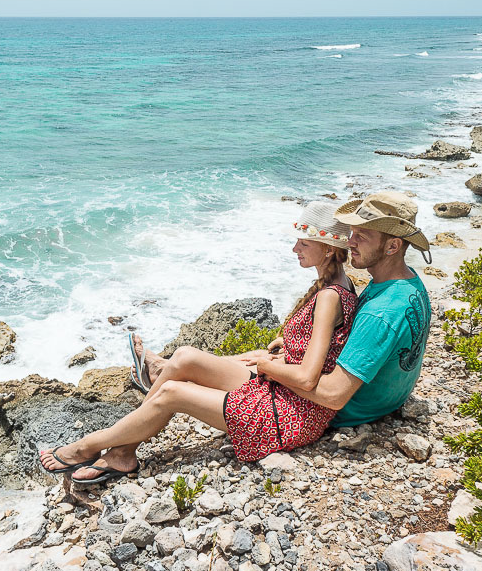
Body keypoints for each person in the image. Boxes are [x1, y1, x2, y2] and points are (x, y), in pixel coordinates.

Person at [39, 202, 358, 483]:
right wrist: (283, 347)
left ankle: (88, 446)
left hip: (289, 413)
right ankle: (124, 449)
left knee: (171, 393)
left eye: (302, 243)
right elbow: (321, 348)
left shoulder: (329, 297)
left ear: (328, 248)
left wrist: (263, 364)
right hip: (285, 393)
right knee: (185, 357)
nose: (294, 250)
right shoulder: (337, 285)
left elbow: (308, 378)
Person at [266, 191, 433, 428]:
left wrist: (271, 370)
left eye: (362, 236)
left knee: (240, 367)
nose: (350, 241)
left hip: (347, 410)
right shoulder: (406, 283)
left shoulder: (381, 311)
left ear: (393, 246)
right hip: (387, 401)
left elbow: (333, 395)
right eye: (352, 233)